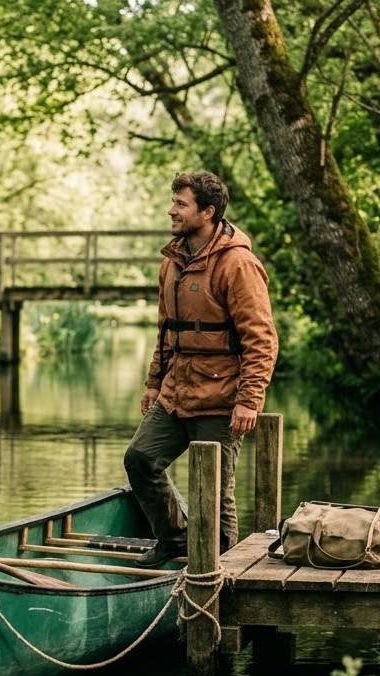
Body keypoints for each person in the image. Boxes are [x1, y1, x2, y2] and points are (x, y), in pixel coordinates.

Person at [124, 171, 278, 567]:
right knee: (140, 459)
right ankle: (175, 539)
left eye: (181, 204)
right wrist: (154, 383)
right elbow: (165, 330)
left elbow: (261, 339)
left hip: (223, 395)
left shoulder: (237, 264)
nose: (171, 210)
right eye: (173, 202)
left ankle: (216, 568)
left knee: (213, 489)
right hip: (176, 390)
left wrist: (249, 399)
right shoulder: (172, 260)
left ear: (207, 212)